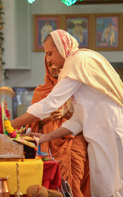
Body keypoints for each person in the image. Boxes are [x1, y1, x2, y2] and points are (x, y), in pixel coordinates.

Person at [0, 29, 123, 197]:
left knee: (111, 189)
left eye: (50, 53)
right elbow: (78, 120)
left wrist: (9, 125)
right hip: (100, 134)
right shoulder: (83, 59)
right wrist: (45, 137)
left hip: (108, 133)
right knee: (105, 188)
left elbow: (50, 103)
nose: (49, 59)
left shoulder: (76, 62)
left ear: (61, 47)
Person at [26, 56, 90, 197]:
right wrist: (49, 117)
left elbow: (87, 117)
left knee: (75, 183)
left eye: (55, 64)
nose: (53, 67)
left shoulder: (78, 87)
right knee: (54, 185)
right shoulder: (41, 91)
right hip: (50, 146)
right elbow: (34, 124)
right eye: (49, 65)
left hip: (75, 142)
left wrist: (66, 114)